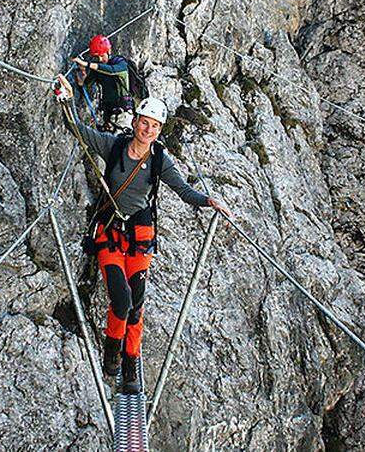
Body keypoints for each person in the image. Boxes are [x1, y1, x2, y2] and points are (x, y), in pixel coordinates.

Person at [55, 74, 232, 394]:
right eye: (144, 122)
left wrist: (209, 202)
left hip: (140, 235)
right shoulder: (115, 146)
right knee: (120, 299)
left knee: (135, 304)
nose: (148, 129)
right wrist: (67, 101)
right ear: (135, 122)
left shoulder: (160, 160)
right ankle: (112, 349)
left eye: (154, 126)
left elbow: (184, 191)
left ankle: (130, 361)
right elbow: (80, 132)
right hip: (110, 230)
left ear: (159, 130)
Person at [72, 34, 135, 132]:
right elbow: (86, 87)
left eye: (102, 55)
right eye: (97, 57)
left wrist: (87, 64)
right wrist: (81, 81)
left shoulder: (120, 63)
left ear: (109, 51)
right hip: (108, 115)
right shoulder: (97, 71)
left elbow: (112, 70)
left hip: (123, 114)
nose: (101, 59)